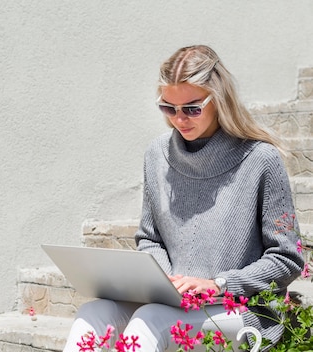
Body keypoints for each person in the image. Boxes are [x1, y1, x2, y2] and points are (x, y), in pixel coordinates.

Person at [63, 45, 304, 351]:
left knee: (150, 321)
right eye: (168, 108)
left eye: (192, 108)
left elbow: (287, 258)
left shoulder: (260, 159)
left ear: (219, 100)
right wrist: (168, 281)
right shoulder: (157, 155)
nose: (179, 119)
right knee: (93, 313)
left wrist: (218, 284)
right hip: (171, 300)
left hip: (239, 310)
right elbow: (149, 239)